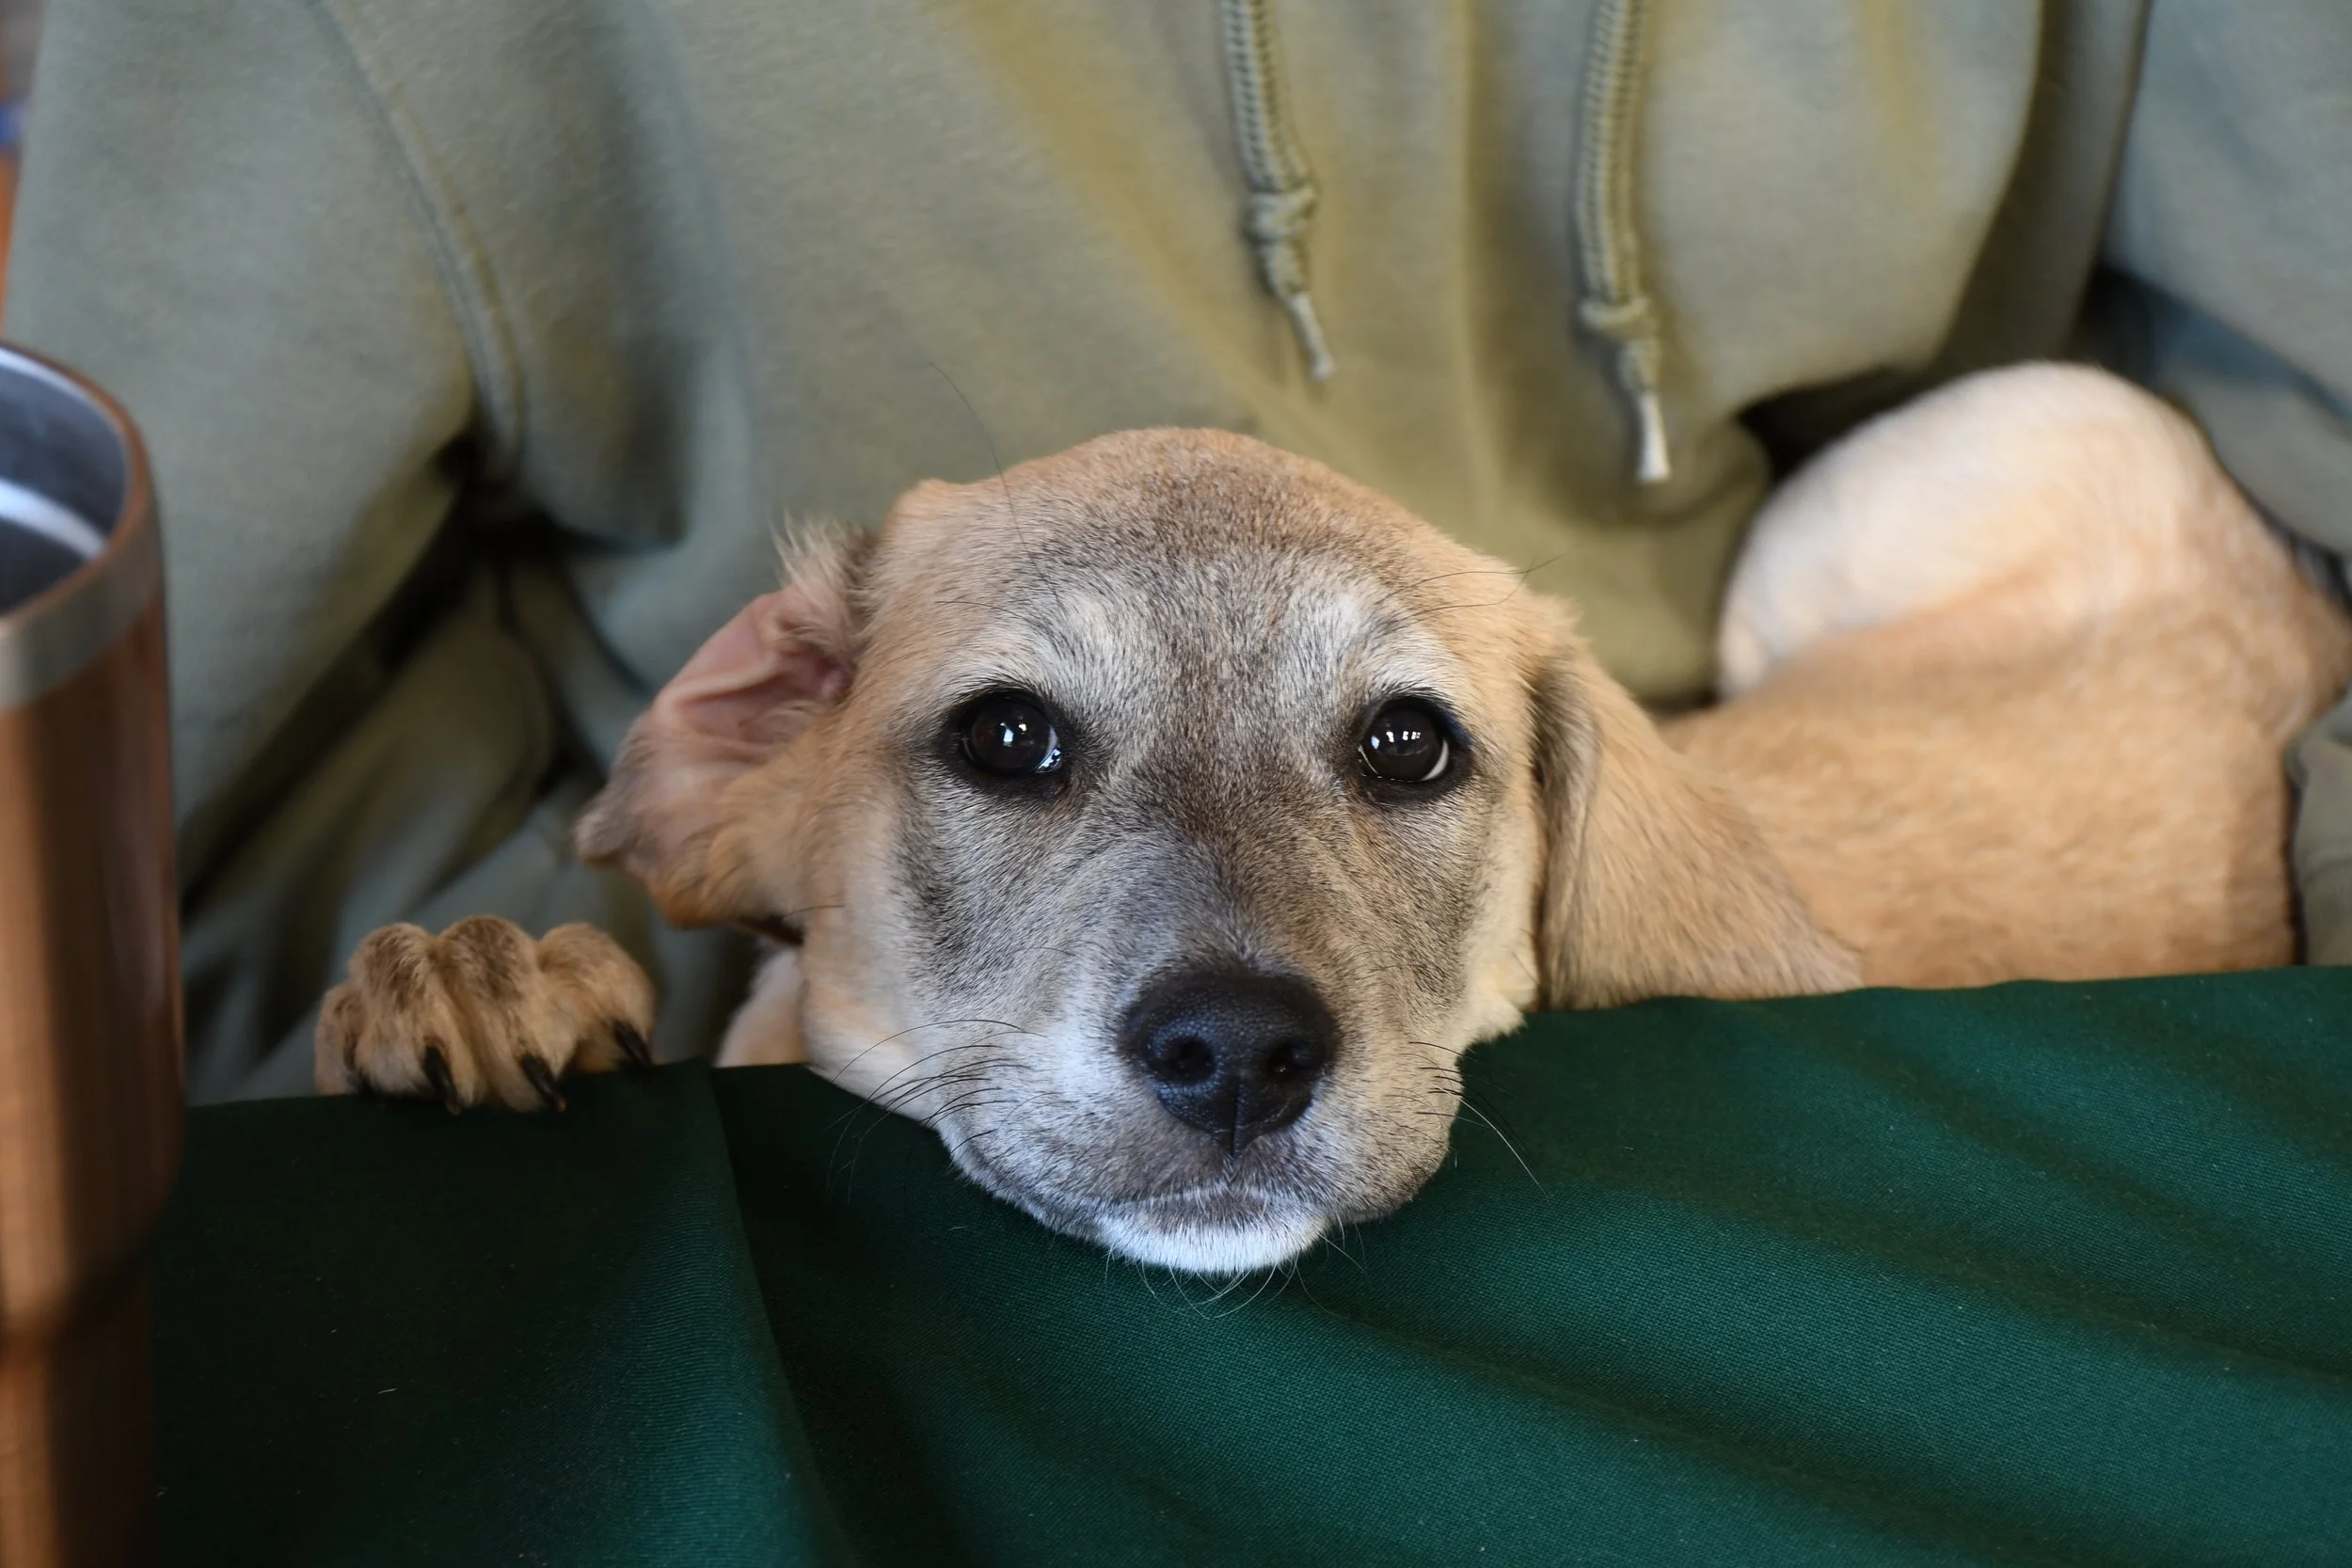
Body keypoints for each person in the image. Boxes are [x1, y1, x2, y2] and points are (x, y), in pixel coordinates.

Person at [8, 0, 2350, 1102]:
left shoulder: (1606, 798)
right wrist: (604, 972)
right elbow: (158, 808)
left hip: (1704, 861)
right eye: (1019, 734)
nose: (1225, 969)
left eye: (1409, 739)